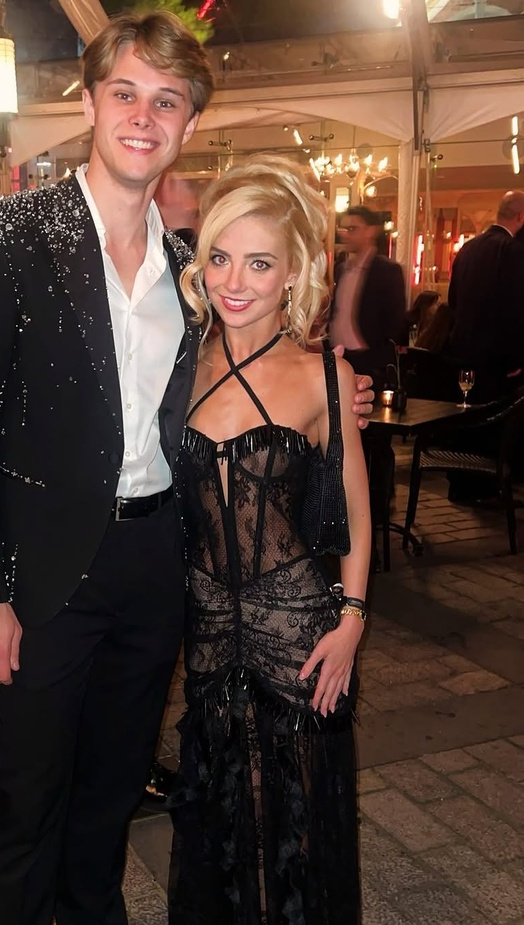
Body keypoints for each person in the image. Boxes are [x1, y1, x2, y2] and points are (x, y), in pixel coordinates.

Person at [0, 13, 374, 924]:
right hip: (44, 570)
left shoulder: (190, 271)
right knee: (28, 807)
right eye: (125, 93)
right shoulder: (8, 233)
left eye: (166, 101)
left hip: (156, 567)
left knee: (110, 799)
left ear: (189, 123)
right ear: (89, 102)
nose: (143, 115)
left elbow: (252, 378)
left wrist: (339, 400)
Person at [167, 156, 371, 925]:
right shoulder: (179, 364)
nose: (235, 281)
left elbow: (356, 513)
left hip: (299, 631)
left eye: (259, 262)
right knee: (223, 813)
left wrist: (352, 620)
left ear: (292, 274)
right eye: (220, 257)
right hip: (209, 629)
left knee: (298, 818)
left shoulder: (324, 376)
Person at [446, 190, 524, 403]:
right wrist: (517, 358)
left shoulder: (467, 248)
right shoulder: (513, 250)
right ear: (520, 217)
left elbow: (453, 301)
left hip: (461, 353)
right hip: (497, 360)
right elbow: (516, 308)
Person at [329, 205, 407, 380]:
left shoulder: (386, 271)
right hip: (338, 356)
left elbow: (395, 321)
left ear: (371, 231)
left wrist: (381, 357)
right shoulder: (341, 269)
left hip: (368, 360)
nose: (345, 235)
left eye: (352, 229)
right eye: (343, 229)